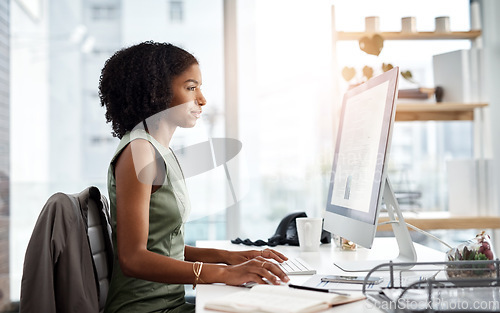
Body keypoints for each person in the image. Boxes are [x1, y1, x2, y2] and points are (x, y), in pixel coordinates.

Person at [99, 41, 290, 313]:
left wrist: (229, 258)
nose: (201, 99)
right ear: (157, 92)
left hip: (169, 303)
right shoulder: (139, 151)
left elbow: (164, 246)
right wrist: (223, 273)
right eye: (191, 88)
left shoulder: (158, 150)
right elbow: (133, 258)